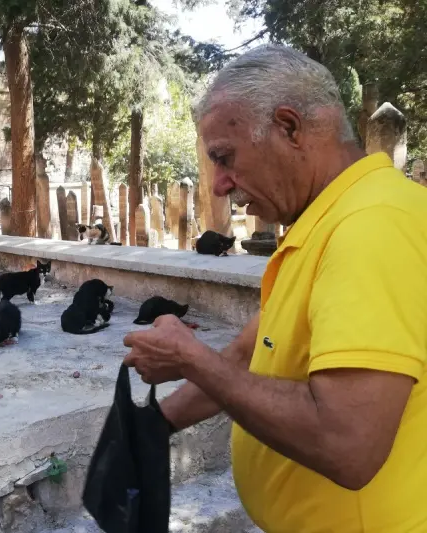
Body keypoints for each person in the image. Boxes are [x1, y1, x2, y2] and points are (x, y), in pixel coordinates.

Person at [123, 44, 427, 532]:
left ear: (289, 128)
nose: (220, 184)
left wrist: (190, 359)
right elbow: (247, 357)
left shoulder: (371, 228)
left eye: (225, 158)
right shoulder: (329, 223)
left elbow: (348, 445)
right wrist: (150, 427)